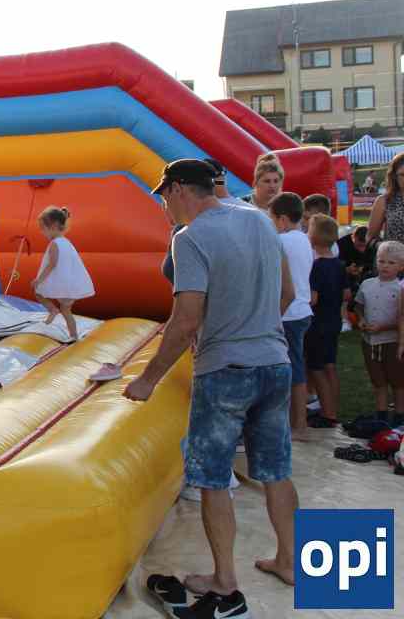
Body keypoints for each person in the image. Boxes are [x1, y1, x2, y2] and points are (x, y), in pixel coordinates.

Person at [128, 159, 297, 619]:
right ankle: (289, 561)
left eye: (164, 197)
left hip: (225, 371)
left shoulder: (190, 237)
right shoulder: (259, 221)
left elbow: (185, 320)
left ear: (179, 190)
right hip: (274, 362)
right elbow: (286, 292)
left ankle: (224, 579)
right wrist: (259, 330)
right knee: (276, 470)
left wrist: (147, 379)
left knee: (213, 478)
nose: (165, 206)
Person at [270, 192, 314, 435]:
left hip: (288, 312)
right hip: (301, 310)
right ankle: (297, 421)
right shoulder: (304, 239)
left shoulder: (282, 242)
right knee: (296, 365)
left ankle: (298, 423)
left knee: (292, 369)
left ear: (283, 219)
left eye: (273, 219)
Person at [304, 215, 347, 428]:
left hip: (318, 323)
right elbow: (346, 294)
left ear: (314, 236)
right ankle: (333, 409)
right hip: (333, 320)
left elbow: (313, 298)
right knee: (330, 366)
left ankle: (327, 413)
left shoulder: (317, 266)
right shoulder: (339, 265)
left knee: (316, 368)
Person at [355, 241, 404, 426]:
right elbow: (359, 305)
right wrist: (361, 319)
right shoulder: (367, 284)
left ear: (401, 266)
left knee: (398, 381)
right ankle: (381, 415)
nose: (385, 266)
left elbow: (402, 318)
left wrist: (384, 327)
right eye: (381, 261)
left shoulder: (400, 288)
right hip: (370, 341)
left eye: (391, 263)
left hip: (392, 341)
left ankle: (399, 416)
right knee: (378, 380)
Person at [31, 206, 94, 342]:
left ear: (53, 226)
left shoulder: (54, 244)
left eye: (43, 228)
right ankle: (74, 335)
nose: (42, 232)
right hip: (70, 285)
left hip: (62, 285)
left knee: (37, 292)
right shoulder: (67, 242)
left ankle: (53, 310)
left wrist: (39, 279)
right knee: (66, 311)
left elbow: (52, 264)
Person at [368, 152, 404, 244]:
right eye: (403, 175)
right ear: (394, 176)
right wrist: (386, 248)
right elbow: (370, 238)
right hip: (393, 253)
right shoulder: (384, 201)